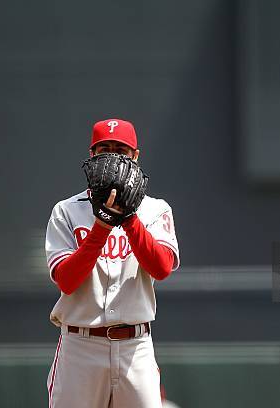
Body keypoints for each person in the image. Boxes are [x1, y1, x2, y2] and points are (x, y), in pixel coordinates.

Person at [44, 118, 180, 408]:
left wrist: (129, 218)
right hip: (80, 345)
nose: (113, 156)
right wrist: (102, 227)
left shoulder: (155, 209)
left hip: (135, 346)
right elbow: (66, 281)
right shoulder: (66, 211)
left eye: (121, 149)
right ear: (92, 155)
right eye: (104, 148)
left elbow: (162, 268)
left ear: (136, 156)